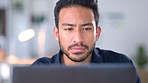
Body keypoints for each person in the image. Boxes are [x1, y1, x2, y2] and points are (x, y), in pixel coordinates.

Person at [32, 0, 141, 82]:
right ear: (57, 33)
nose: (78, 39)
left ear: (97, 33)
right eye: (69, 29)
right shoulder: (37, 72)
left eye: (86, 29)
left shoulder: (120, 65)